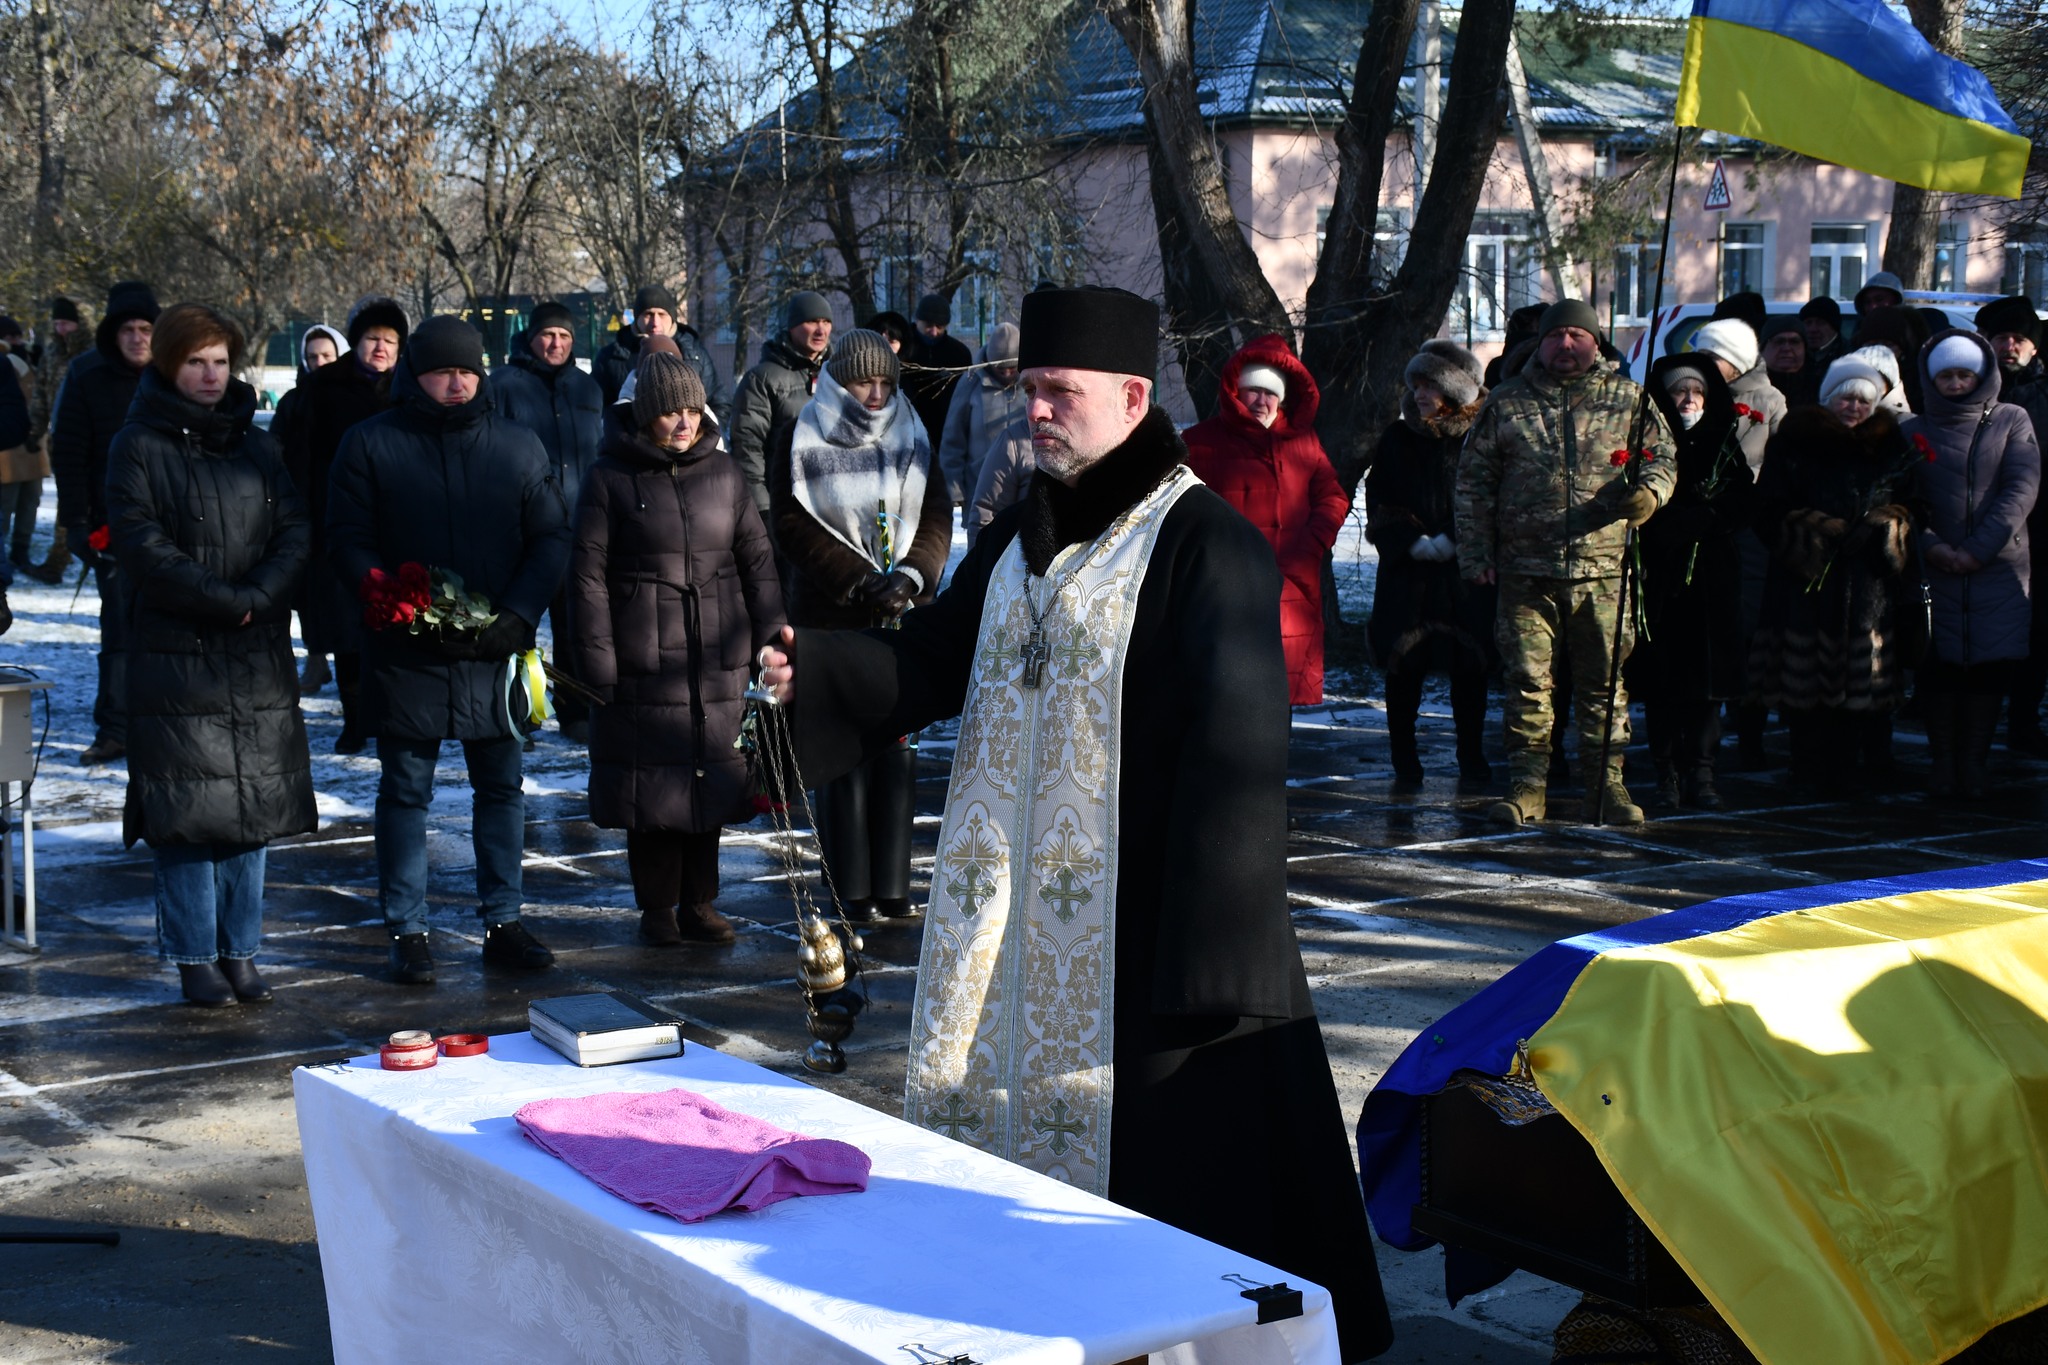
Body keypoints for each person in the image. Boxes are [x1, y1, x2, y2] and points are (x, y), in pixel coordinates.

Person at [755, 285, 1393, 1360]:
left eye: (1060, 392)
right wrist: (809, 669)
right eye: (1028, 390)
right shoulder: (1016, 538)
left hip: (1151, 931)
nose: (1036, 411)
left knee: (1184, 1203)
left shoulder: (1203, 543)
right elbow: (925, 666)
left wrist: (1208, 961)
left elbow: (1237, 763)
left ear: (1133, 397)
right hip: (1007, 928)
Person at [326, 315, 571, 986]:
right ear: (417, 374)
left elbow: (551, 537)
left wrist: (520, 614)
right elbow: (347, 536)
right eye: (442, 371)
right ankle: (407, 928)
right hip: (408, 650)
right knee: (406, 790)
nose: (457, 382)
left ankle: (504, 918)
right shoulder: (371, 444)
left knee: (501, 785)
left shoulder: (518, 447)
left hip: (495, 647)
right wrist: (390, 599)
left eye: (467, 371)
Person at [103, 303, 314, 1007]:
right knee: (188, 813)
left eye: (220, 362)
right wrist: (225, 598)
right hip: (178, 653)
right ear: (168, 364)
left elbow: (294, 526)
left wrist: (261, 592)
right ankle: (195, 955)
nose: (210, 375)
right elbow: (140, 543)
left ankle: (241, 952)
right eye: (196, 362)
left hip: (254, 649)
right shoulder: (137, 445)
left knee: (251, 809)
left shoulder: (255, 444)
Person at [569, 351, 784, 946]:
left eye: (691, 409)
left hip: (719, 653)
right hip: (645, 656)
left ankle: (701, 901)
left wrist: (773, 640)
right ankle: (657, 907)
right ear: (644, 415)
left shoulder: (724, 473)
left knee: (711, 781)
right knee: (651, 790)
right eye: (669, 412)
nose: (683, 422)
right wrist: (599, 663)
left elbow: (757, 561)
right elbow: (587, 575)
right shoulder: (610, 477)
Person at [1456, 300, 1677, 828]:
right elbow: (1473, 482)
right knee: (1528, 684)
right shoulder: (1507, 403)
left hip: (1603, 572)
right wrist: (1476, 554)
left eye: (1578, 335)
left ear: (1596, 343)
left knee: (1604, 686)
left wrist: (1650, 495)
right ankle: (1528, 786)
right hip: (1525, 572)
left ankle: (1606, 787)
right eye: (1557, 336)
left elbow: (1662, 458)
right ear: (1542, 343)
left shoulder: (1628, 400)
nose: (1567, 346)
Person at [768, 328, 950, 924]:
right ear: (838, 381)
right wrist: (856, 577)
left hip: (900, 613)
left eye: (884, 383)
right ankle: (849, 885)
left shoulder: (913, 430)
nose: (875, 395)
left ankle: (892, 884)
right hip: (832, 615)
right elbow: (793, 525)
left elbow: (936, 514)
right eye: (863, 382)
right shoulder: (803, 432)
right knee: (843, 752)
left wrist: (914, 576)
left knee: (897, 751)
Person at [1746, 356, 1918, 791]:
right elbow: (1768, 509)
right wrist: (1817, 530)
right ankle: (1809, 765)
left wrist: (1887, 524)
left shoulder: (1890, 444)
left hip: (1869, 587)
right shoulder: (1798, 440)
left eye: (1863, 400)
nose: (1854, 407)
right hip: (1808, 586)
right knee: (1807, 685)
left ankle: (1870, 763)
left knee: (1869, 682)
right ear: (1828, 399)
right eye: (1846, 397)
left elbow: (1916, 505)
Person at [1903, 331, 2041, 798]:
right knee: (1937, 665)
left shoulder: (2011, 420)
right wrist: (1933, 547)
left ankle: (1975, 761)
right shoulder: (1911, 430)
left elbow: (2020, 488)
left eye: (1965, 374)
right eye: (1947, 375)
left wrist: (1977, 549)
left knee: (1988, 669)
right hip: (1932, 568)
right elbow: (1901, 500)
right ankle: (1943, 760)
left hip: (1997, 565)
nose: (1957, 383)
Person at [1181, 334, 1352, 706]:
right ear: (1235, 392)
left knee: (1279, 704)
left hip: (1291, 587)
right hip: (1222, 591)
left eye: (1270, 392)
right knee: (1224, 701)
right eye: (1252, 390)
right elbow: (1175, 510)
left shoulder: (1303, 442)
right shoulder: (1199, 443)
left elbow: (1333, 497)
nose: (1261, 400)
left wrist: (1310, 548)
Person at [275, 296, 407, 748]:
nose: (381, 348)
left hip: (398, 526)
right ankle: (355, 719)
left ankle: (390, 716)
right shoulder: (323, 388)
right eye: (373, 339)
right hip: (336, 520)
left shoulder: (409, 388)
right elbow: (300, 459)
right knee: (348, 628)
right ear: (356, 342)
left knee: (395, 625)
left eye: (390, 340)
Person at [1365, 340, 1493, 784]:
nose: (1420, 394)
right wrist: (1409, 540)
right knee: (1404, 669)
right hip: (1409, 573)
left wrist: (1458, 540)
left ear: (1455, 392)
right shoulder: (1397, 437)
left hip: (1464, 572)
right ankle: (1405, 761)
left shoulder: (1483, 435)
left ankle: (1472, 757)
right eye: (1416, 385)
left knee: (1469, 670)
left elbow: (1494, 498)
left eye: (1431, 386)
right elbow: (1379, 495)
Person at [1632, 354, 1754, 809]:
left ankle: (1702, 772)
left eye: (1696, 391)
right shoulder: (1645, 439)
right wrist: (1664, 525)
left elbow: (1744, 500)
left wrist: (1709, 517)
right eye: (1678, 391)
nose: (1687, 399)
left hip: (1712, 575)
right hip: (1661, 573)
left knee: (1708, 685)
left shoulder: (1721, 440)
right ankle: (1665, 771)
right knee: (1663, 680)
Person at [53, 280, 160, 766]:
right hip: (111, 527)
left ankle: (164, 724)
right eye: (129, 330)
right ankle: (114, 727)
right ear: (113, 334)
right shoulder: (85, 375)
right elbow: (70, 453)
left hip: (173, 525)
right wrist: (76, 522)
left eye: (146, 329)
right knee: (118, 632)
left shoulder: (172, 373)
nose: (138, 338)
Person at [490, 299, 605, 745]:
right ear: (531, 336)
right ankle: (519, 712)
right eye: (547, 335)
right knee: (516, 624)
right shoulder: (503, 385)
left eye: (564, 337)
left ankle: (574, 710)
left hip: (578, 526)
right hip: (520, 528)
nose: (555, 343)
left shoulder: (587, 388)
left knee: (575, 625)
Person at [1974, 295, 2048, 756]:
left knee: (2037, 631)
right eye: (2002, 337)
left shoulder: (2043, 393)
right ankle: (1977, 730)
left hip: (2040, 531)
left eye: (2019, 338)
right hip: (1986, 527)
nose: (2010, 345)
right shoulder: (1975, 389)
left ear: (2034, 348)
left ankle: (2023, 719)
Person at [731, 291, 832, 522]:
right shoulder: (761, 380)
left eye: (826, 322)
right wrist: (763, 512)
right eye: (812, 321)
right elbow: (748, 451)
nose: (821, 330)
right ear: (793, 327)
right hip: (784, 512)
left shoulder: (838, 375)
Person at [23, 296, 90, 585]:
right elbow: (40, 395)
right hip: (60, 438)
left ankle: (73, 556)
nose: (61, 329)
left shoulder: (92, 352)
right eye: (57, 324)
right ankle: (57, 561)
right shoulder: (52, 353)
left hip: (92, 439)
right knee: (68, 500)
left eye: (66, 323)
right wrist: (34, 432)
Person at [592, 285, 725, 420]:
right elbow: (596, 408)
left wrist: (702, 436)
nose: (655, 322)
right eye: (648, 314)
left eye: (662, 315)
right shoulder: (611, 357)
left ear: (672, 317)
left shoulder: (694, 354)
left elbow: (718, 403)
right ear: (637, 317)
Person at [936, 320, 1026, 508]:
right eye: (1002, 370)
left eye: (1013, 368)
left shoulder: (1031, 383)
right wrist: (954, 487)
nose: (1008, 374)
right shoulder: (971, 382)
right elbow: (953, 438)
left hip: (1025, 488)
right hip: (979, 488)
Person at [903, 292, 974, 454]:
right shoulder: (904, 350)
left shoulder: (958, 354)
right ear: (917, 320)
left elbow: (965, 396)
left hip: (947, 432)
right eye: (928, 325)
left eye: (940, 326)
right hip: (908, 430)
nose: (934, 332)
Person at [0, 320, 36, 609]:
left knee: (26, 502)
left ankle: (19, 553)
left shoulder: (7, 364)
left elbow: (16, 417)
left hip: (25, 448)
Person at [1761, 315, 1817, 408]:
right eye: (1779, 341)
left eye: (1794, 342)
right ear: (1762, 349)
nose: (1787, 348)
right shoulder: (1747, 388)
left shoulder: (1820, 389)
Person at [1801, 296, 1847, 375]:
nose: (1813, 329)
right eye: (1808, 323)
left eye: (1820, 323)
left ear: (1834, 327)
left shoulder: (1849, 357)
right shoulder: (1795, 355)